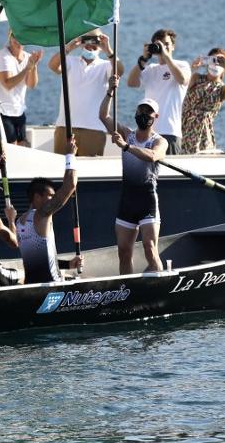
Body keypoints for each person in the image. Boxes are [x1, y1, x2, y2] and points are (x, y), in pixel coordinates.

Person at [100, 78, 168, 274]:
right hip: (127, 200)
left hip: (147, 200)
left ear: (155, 116)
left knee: (149, 248)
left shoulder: (159, 141)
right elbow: (103, 115)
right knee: (123, 251)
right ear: (136, 113)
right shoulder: (126, 133)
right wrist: (110, 92)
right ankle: (127, 289)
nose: (144, 115)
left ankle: (158, 284)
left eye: (148, 112)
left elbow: (154, 156)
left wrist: (127, 147)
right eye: (141, 111)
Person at [14, 139, 84, 284]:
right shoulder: (42, 215)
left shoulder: (19, 222)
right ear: (37, 197)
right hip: (52, 285)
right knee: (91, 280)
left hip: (32, 284)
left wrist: (69, 264)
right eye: (50, 196)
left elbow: (42, 259)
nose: (53, 199)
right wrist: (70, 156)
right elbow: (70, 185)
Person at [48, 29, 121, 156]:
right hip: (65, 127)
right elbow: (53, 66)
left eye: (95, 42)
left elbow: (119, 70)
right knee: (61, 169)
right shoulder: (70, 61)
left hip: (94, 129)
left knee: (89, 171)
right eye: (87, 41)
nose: (91, 46)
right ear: (82, 42)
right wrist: (69, 47)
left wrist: (108, 49)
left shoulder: (105, 65)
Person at [126, 28, 190, 154]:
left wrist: (166, 57)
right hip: (148, 131)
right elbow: (131, 83)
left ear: (173, 47)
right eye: (159, 44)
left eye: (166, 44)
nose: (163, 47)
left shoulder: (182, 65)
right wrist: (143, 60)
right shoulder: (150, 69)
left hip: (170, 131)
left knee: (168, 173)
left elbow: (182, 79)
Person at [180, 48, 225, 154]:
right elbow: (181, 85)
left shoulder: (222, 89)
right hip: (185, 126)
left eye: (220, 61)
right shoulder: (197, 78)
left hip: (203, 132)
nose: (216, 64)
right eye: (214, 59)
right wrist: (192, 68)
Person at [0, 31, 40, 147]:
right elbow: (8, 84)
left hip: (19, 110)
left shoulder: (28, 57)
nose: (18, 41)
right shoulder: (2, 56)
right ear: (10, 37)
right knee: (10, 147)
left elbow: (31, 85)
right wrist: (26, 69)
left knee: (23, 145)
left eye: (21, 37)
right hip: (2, 111)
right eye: (15, 37)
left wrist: (33, 67)